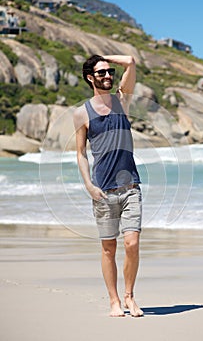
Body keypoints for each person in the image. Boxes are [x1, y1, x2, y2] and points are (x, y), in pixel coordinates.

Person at [73, 54, 143, 317]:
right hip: (102, 191)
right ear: (90, 78)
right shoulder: (82, 113)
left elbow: (131, 61)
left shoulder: (122, 101)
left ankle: (129, 296)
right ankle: (114, 301)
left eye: (109, 71)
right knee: (108, 248)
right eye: (101, 72)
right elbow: (80, 153)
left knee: (132, 244)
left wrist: (103, 57)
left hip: (130, 187)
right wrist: (89, 185)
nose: (107, 76)